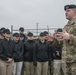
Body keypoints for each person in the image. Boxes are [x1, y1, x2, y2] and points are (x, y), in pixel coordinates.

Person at [55, 4, 76, 75]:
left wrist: (70, 37)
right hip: (67, 61)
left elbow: (69, 38)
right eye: (65, 11)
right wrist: (54, 40)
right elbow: (64, 42)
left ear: (75, 12)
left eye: (68, 11)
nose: (66, 12)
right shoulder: (66, 26)